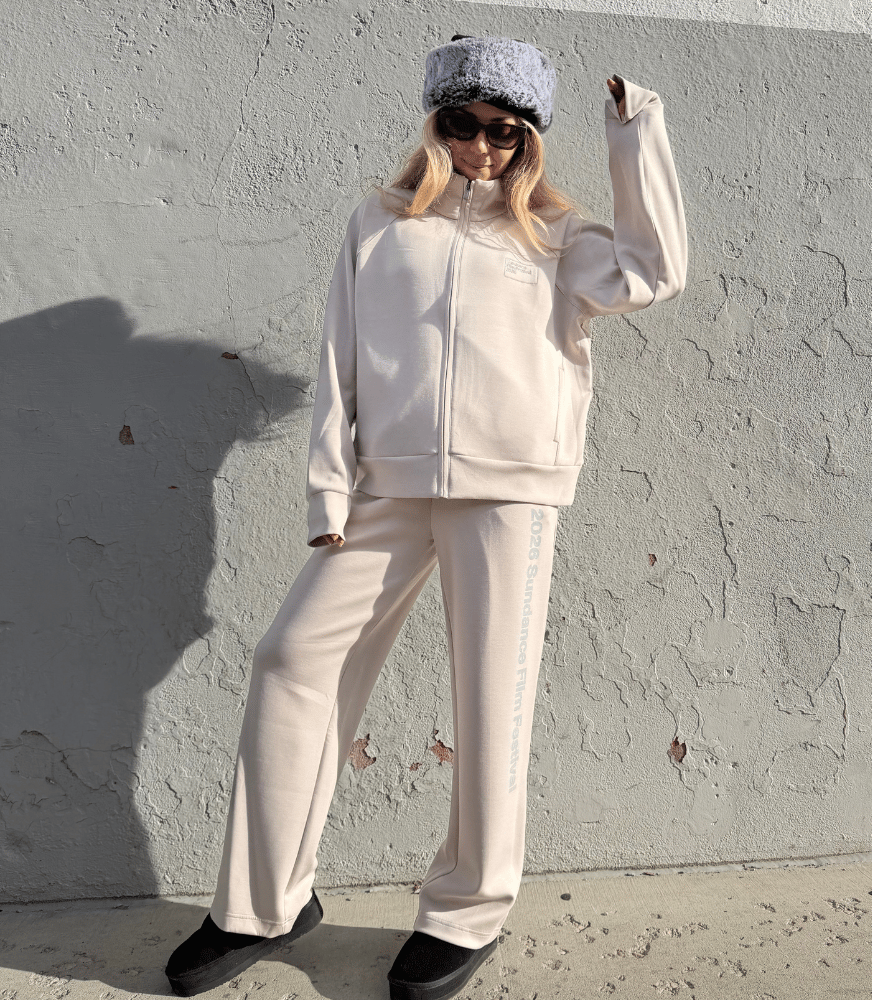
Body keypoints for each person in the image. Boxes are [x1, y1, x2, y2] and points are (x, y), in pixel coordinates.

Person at [165, 32, 687, 1000]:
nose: (481, 146)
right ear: (434, 123)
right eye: (462, 123)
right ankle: (263, 903)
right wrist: (330, 491)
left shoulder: (558, 235)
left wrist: (635, 130)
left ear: (528, 139)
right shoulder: (380, 222)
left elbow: (654, 272)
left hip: (511, 492)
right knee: (289, 660)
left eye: (505, 130)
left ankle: (465, 912)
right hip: (389, 487)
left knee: (491, 705)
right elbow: (340, 359)